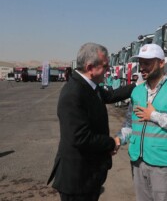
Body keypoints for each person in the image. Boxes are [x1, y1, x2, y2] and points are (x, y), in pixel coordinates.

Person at [47, 42, 135, 201]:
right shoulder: (73, 94)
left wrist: (137, 87)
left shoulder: (89, 86)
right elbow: (80, 137)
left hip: (89, 176)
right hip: (77, 180)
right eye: (105, 66)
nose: (108, 70)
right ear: (90, 67)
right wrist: (111, 143)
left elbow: (110, 96)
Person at [115, 44, 167, 201]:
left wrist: (155, 116)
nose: (142, 67)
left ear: (161, 63)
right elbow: (130, 124)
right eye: (141, 63)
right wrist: (119, 139)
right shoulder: (137, 91)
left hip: (162, 164)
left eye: (147, 63)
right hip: (138, 162)